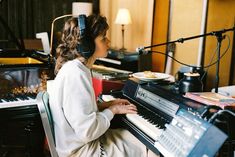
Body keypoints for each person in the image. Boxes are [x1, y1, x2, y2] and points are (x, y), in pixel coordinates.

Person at [48, 14, 159, 157]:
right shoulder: (76, 74)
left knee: (134, 136)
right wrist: (113, 110)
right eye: (103, 38)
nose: (108, 41)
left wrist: (107, 105)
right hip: (82, 151)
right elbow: (88, 131)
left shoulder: (76, 68)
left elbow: (78, 113)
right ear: (87, 45)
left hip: (79, 145)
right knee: (149, 147)